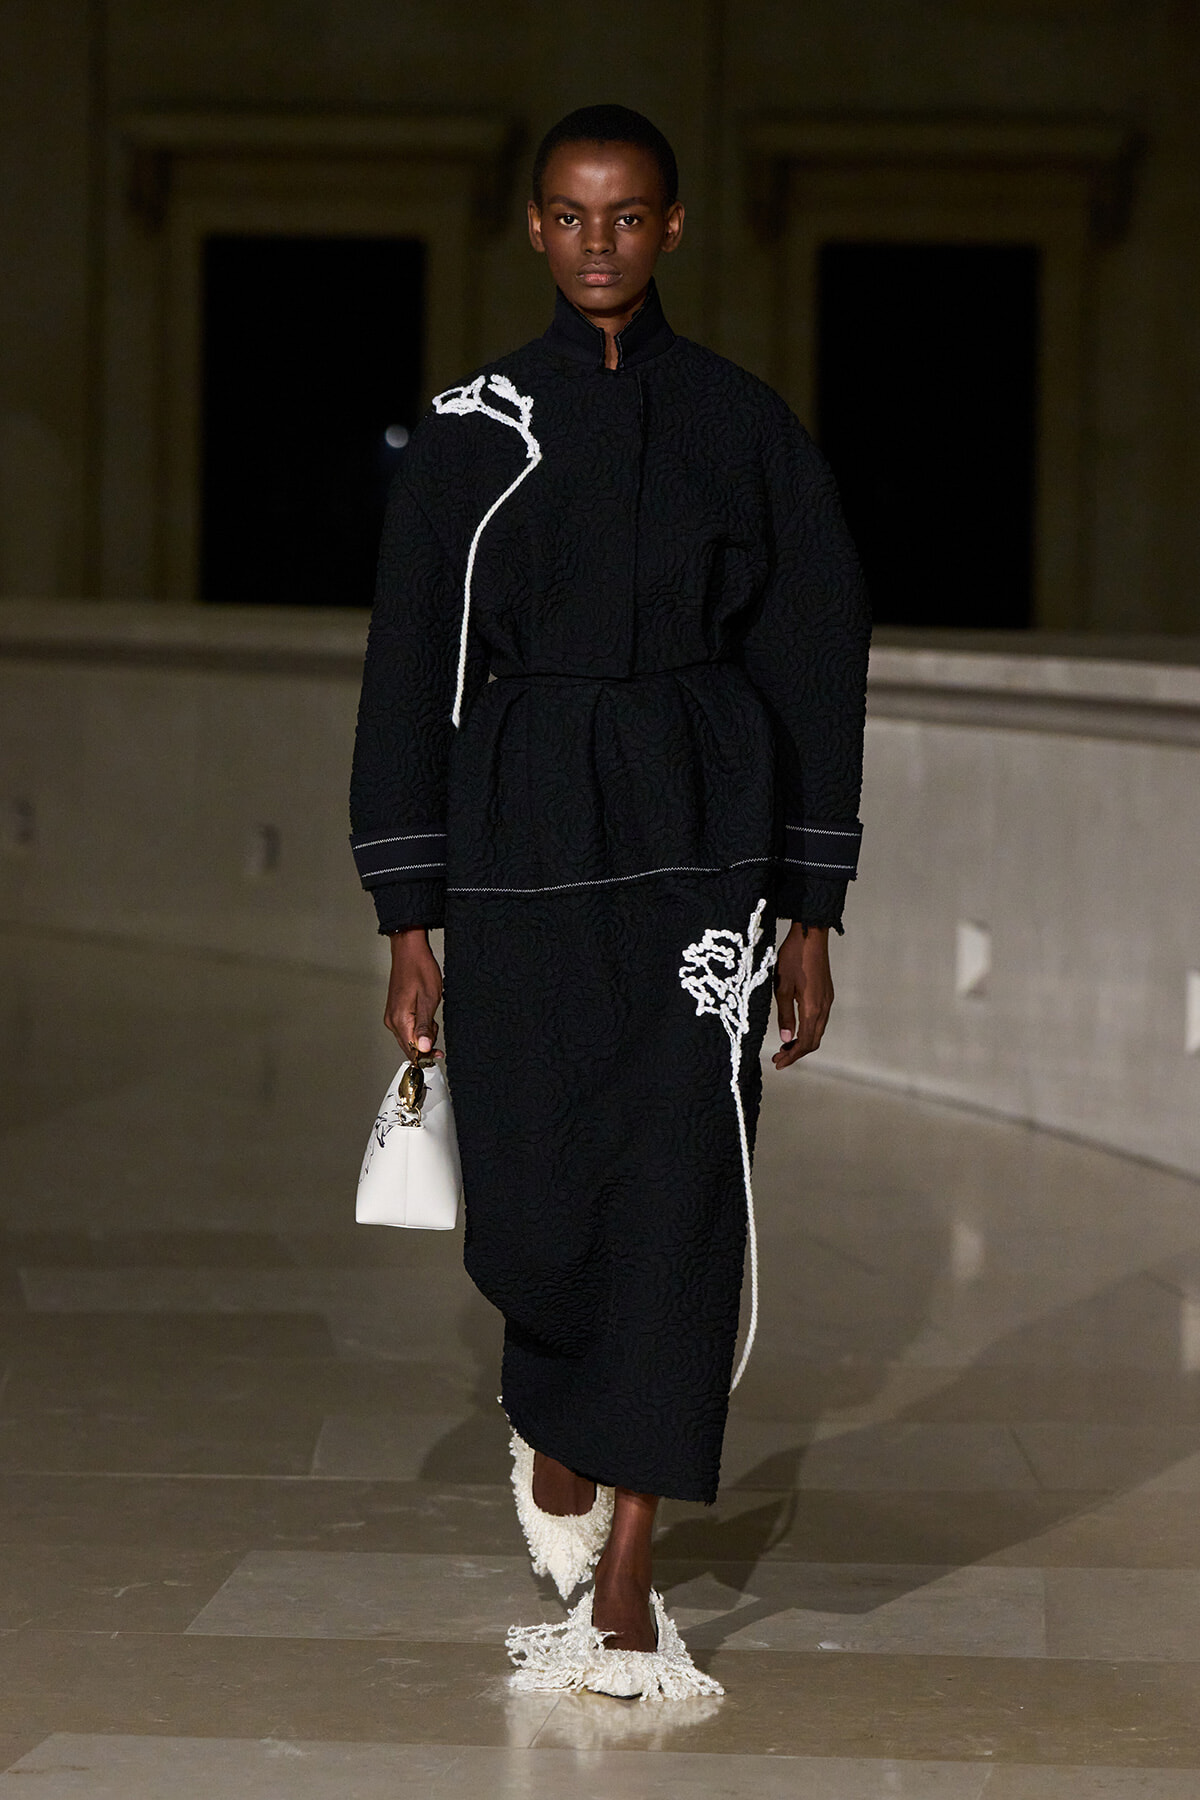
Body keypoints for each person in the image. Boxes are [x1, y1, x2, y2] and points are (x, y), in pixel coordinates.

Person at [350, 103, 870, 1700]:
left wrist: (811, 902)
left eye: (629, 216)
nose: (600, 244)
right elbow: (409, 676)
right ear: (531, 228)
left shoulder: (743, 425)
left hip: (702, 829)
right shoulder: (469, 428)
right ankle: (560, 1424)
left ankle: (635, 1574)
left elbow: (811, 657)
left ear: (674, 228)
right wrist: (408, 912)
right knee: (535, 1182)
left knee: (680, 1189)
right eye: (572, 218)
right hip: (517, 829)